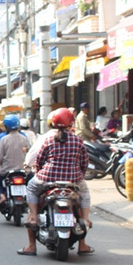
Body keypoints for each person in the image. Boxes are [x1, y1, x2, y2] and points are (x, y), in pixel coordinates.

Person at [18, 108, 94, 256]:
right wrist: (79, 176)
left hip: (47, 179)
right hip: (73, 179)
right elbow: (84, 162)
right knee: (84, 193)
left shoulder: (47, 139)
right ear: (70, 123)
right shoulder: (77, 140)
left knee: (32, 188)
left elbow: (39, 160)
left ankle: (33, 224)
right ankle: (84, 224)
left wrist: (40, 173)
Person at [0, 115, 29, 206]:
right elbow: (28, 153)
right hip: (23, 170)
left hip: (7, 169)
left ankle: (2, 195)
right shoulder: (24, 139)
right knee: (31, 183)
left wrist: (0, 165)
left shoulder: (4, 139)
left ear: (6, 126)